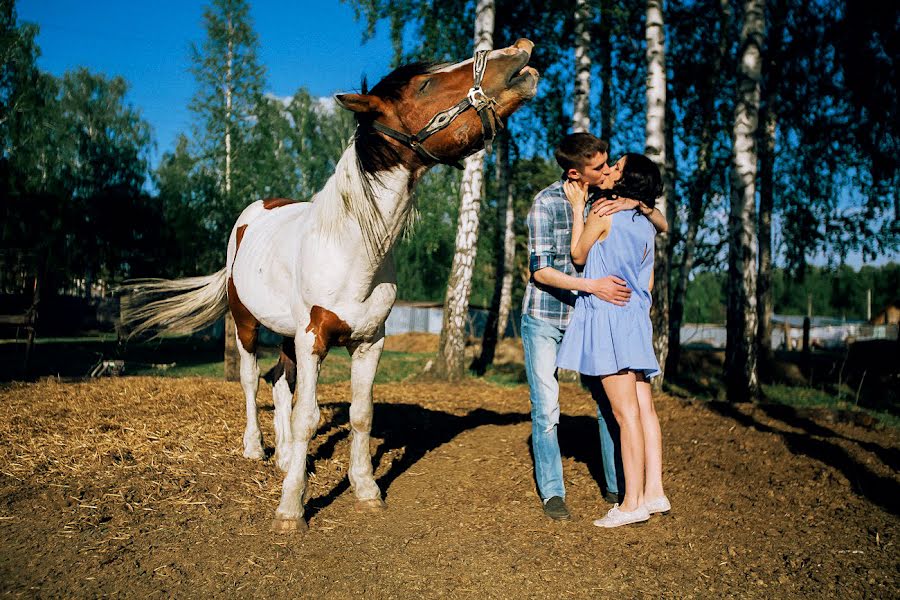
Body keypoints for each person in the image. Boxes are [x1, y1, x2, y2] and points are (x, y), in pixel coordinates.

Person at [522, 133, 668, 521]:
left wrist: (637, 202)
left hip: (597, 316)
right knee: (549, 407)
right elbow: (541, 271)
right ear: (576, 172)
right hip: (550, 315)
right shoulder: (547, 203)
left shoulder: (607, 205)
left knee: (614, 409)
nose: (606, 172)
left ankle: (624, 492)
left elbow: (582, 252)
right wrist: (594, 286)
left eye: (611, 165)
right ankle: (557, 492)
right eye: (600, 167)